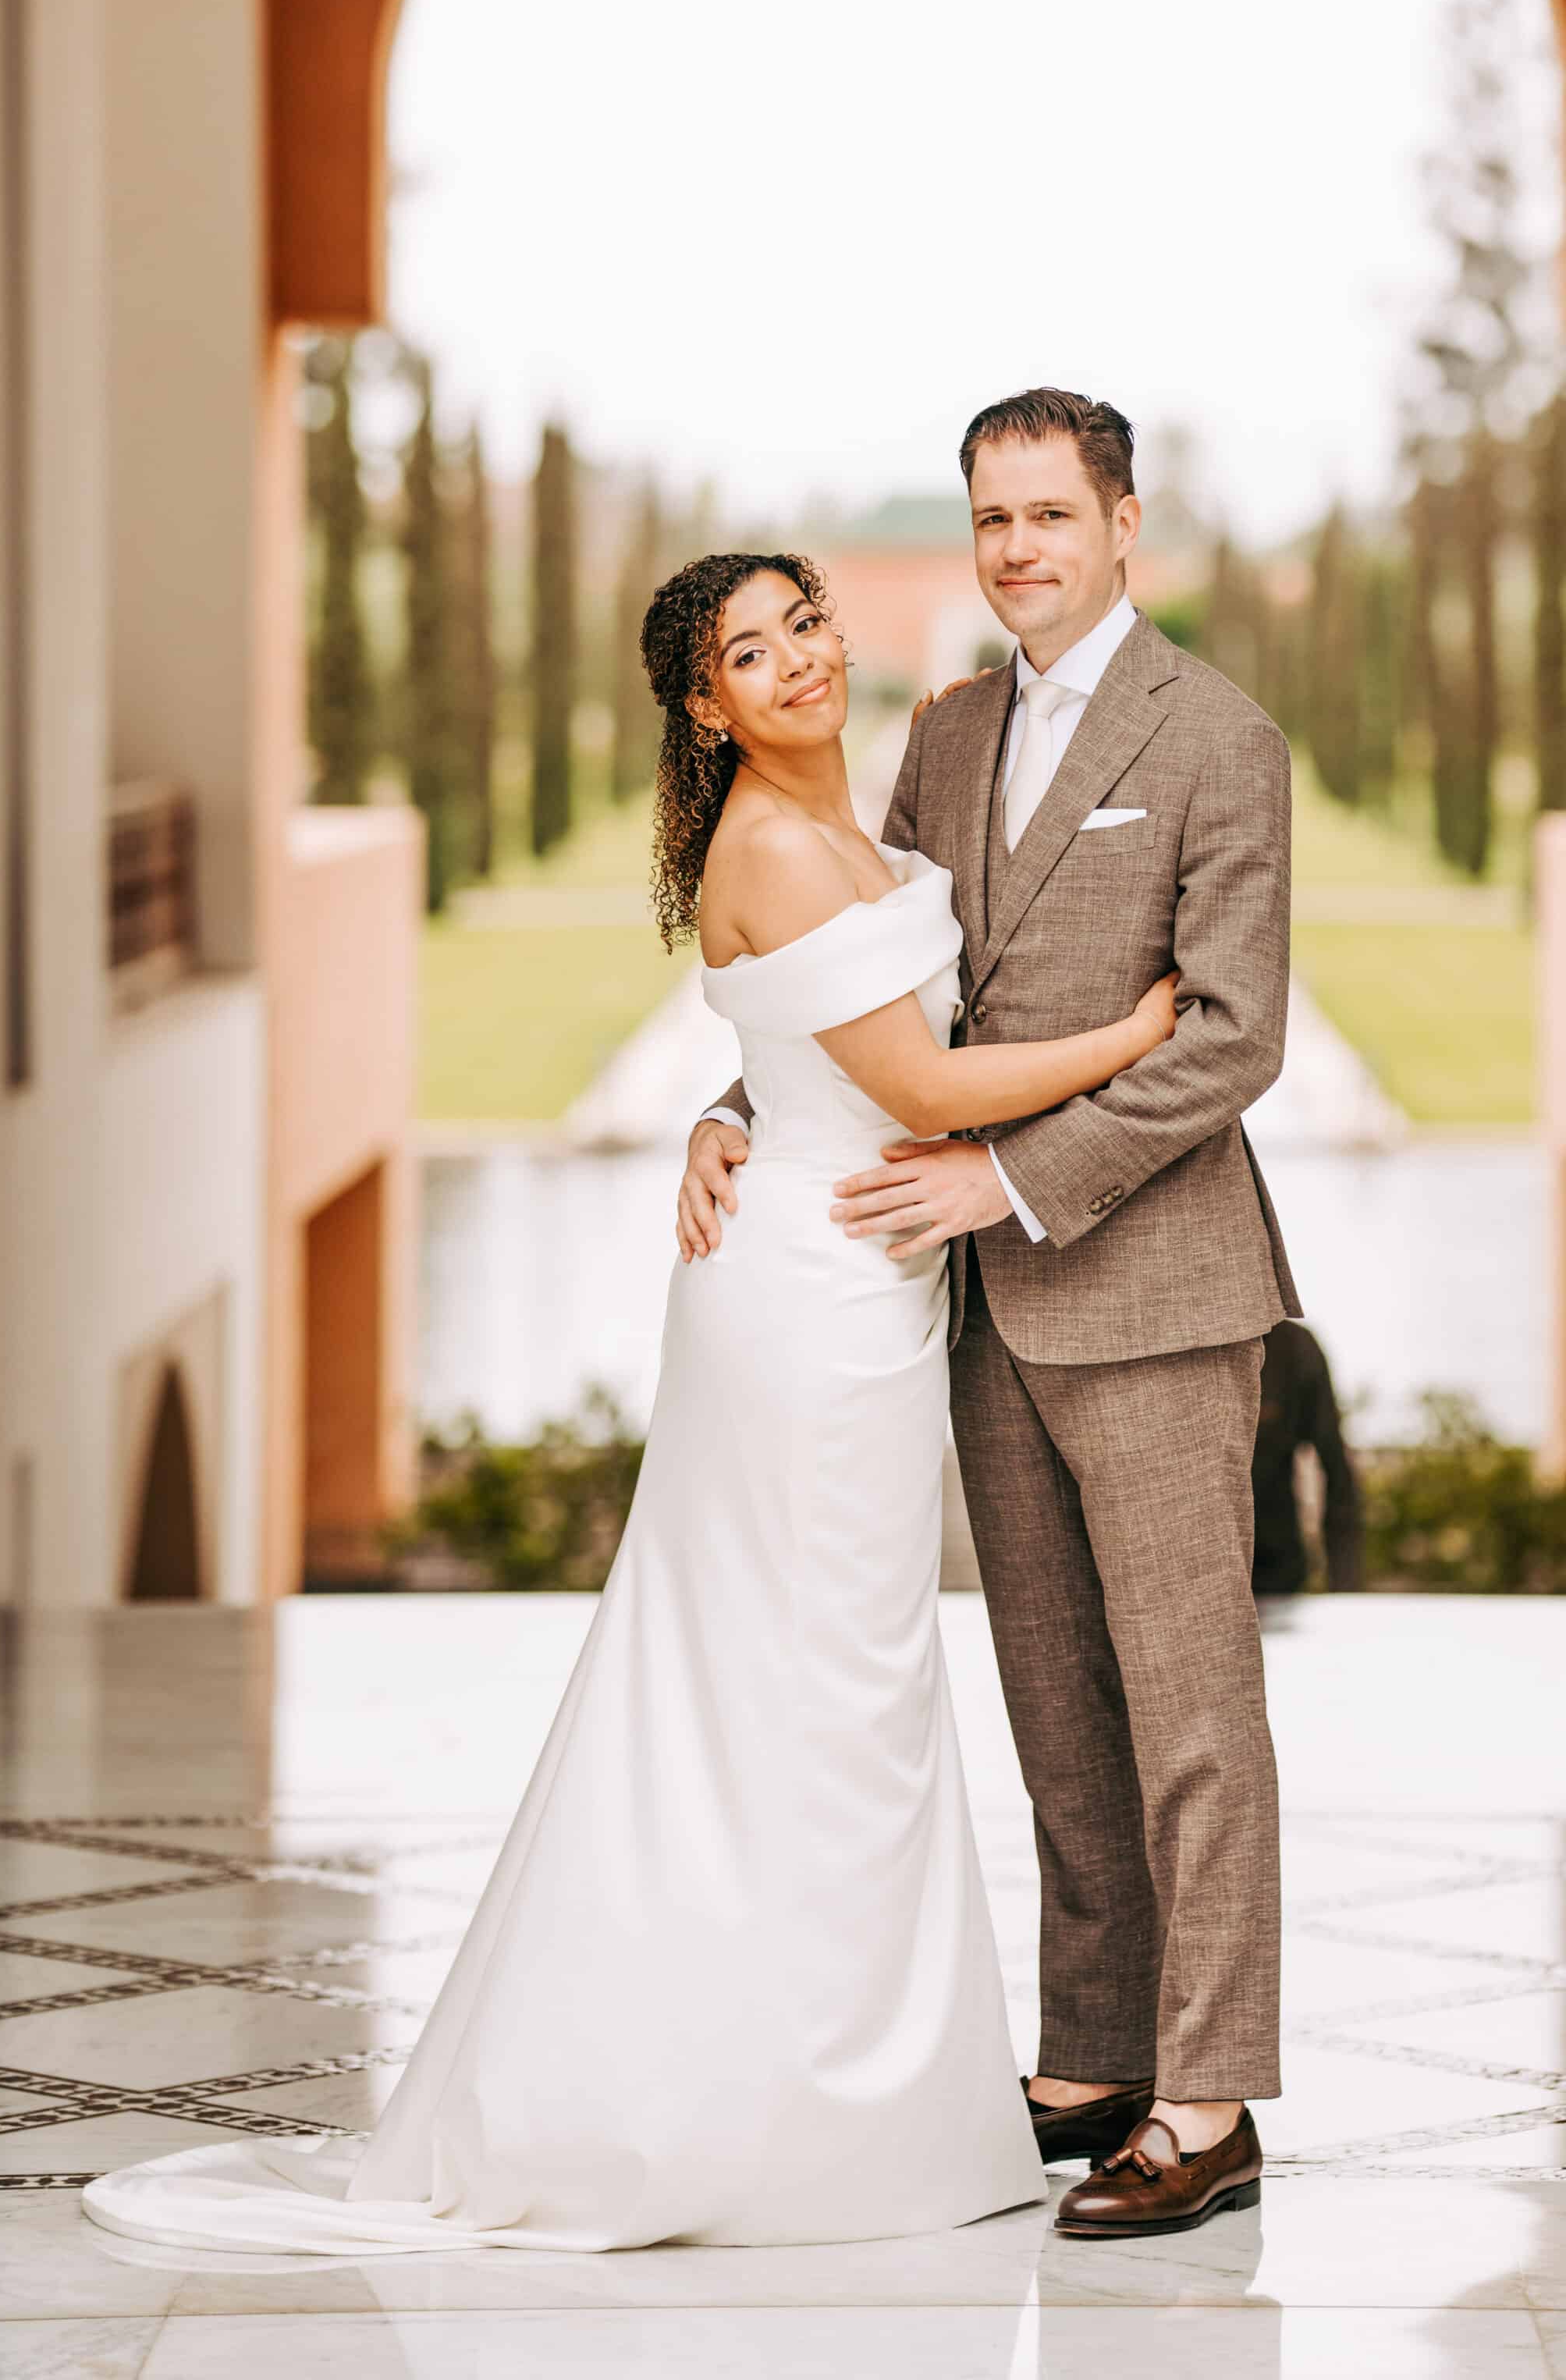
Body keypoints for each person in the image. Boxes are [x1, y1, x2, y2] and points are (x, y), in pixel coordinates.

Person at [80, 546, 1181, 2257]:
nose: (799, 659)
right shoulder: (764, 842)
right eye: (752, 651)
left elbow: (817, 1051)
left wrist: (721, 1106)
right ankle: (787, 2116)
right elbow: (924, 1082)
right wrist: (1141, 1031)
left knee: (829, 1685)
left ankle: (838, 2088)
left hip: (858, 1293)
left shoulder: (850, 820)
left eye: (804, 621)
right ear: (704, 702)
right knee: (811, 1685)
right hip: (806, 1319)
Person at [682, 389, 1298, 2242]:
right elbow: (860, 991)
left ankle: (1206, 2097)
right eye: (990, 517)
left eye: (1049, 511)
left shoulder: (1216, 736)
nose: (1017, 546)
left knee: (1190, 1706)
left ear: (1122, 523)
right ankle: (1094, 2050)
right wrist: (733, 1114)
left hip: (1150, 1287)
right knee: (1052, 1694)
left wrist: (1007, 1179)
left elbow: (1233, 1029)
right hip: (974, 1314)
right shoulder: (944, 732)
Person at [1252, 1317, 1364, 1597]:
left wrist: (1344, 1589)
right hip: (1181, 1576)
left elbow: (1337, 1472)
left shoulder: (1293, 1348)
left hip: (1274, 1573)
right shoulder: (1169, 1340)